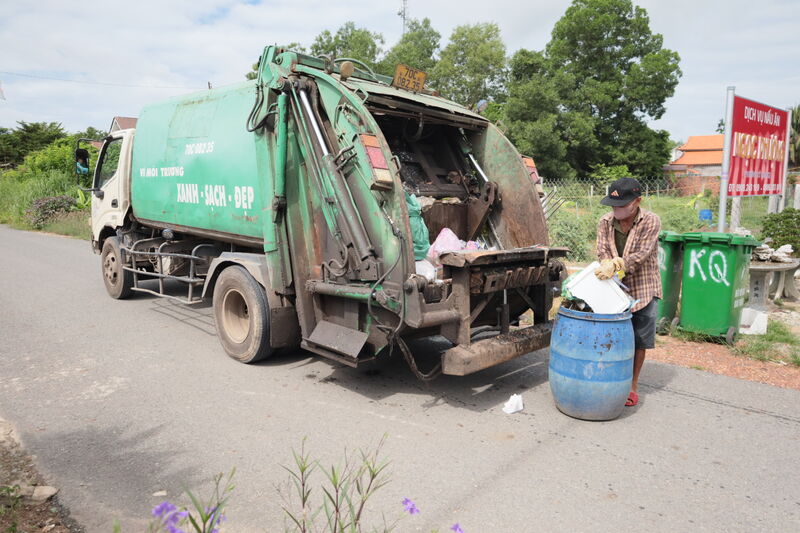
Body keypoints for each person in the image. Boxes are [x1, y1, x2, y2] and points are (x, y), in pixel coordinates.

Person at [595, 177, 661, 407]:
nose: (617, 210)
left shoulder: (651, 221)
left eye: (622, 205)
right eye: (614, 205)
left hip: (643, 286)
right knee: (610, 335)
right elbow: (601, 249)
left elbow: (642, 254)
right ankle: (609, 378)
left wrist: (618, 264)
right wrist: (606, 263)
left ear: (637, 201)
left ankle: (632, 386)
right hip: (614, 287)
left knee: (638, 339)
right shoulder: (605, 222)